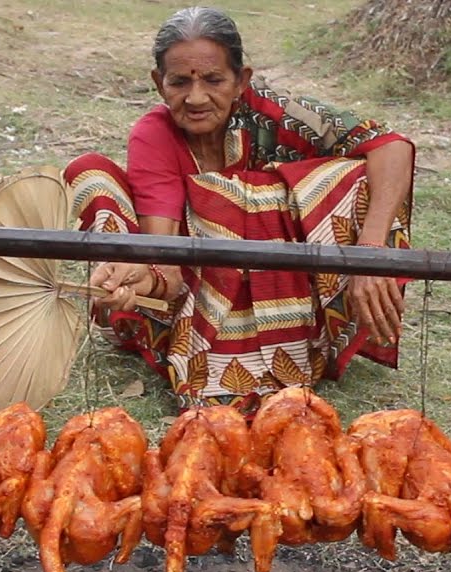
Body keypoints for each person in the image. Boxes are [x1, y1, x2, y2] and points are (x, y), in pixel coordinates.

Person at [66, 6, 414, 416]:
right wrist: (142, 277)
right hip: (190, 295)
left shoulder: (275, 114)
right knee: (93, 176)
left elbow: (390, 145)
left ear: (241, 80)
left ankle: (308, 342)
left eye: (213, 80)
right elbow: (162, 256)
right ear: (159, 84)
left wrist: (368, 254)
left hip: (288, 291)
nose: (195, 98)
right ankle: (190, 347)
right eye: (179, 82)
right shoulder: (154, 135)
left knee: (357, 176)